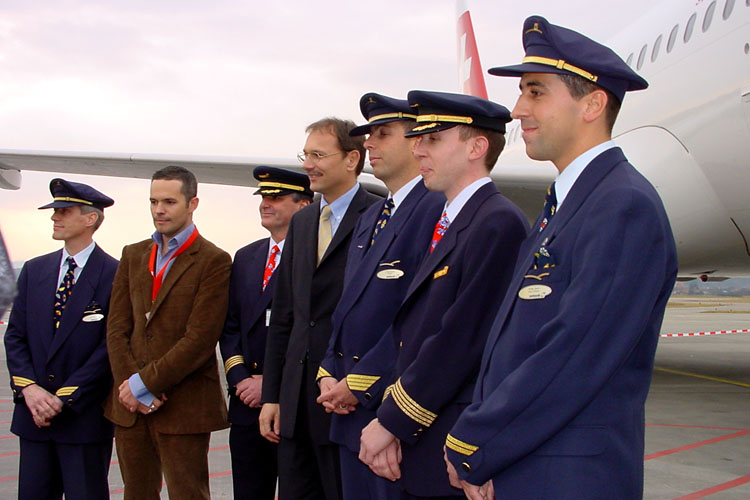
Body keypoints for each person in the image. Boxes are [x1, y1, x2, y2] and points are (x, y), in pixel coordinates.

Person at [443, 16, 678, 500]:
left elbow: (574, 354)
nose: (517, 109)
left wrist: (475, 443)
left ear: (592, 104)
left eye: (536, 92)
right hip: (531, 465)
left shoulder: (622, 205)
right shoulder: (568, 204)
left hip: (568, 478)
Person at [358, 91, 529, 500]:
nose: (418, 149)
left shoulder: (497, 223)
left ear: (476, 147)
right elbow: (416, 330)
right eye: (419, 139)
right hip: (425, 433)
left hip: (451, 435)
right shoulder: (455, 219)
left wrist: (392, 421)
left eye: (433, 139)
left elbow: (461, 338)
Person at [315, 93, 446, 500]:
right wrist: (327, 370)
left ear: (417, 141)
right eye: (369, 134)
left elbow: (422, 316)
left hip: (388, 408)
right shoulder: (372, 215)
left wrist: (358, 382)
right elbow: (348, 307)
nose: (369, 143)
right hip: (347, 408)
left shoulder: (436, 209)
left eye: (383, 134)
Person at [260, 117, 380, 500]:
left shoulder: (379, 217)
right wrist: (272, 395)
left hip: (346, 400)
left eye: (318, 155)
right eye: (305, 155)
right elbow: (285, 316)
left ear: (351, 159)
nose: (308, 165)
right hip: (296, 404)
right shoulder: (303, 222)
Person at [104, 165, 232, 500]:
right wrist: (131, 387)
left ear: (192, 204)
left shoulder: (214, 260)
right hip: (130, 406)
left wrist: (144, 385)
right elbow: (117, 327)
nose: (159, 210)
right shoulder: (133, 255)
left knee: (188, 493)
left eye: (169, 202)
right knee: (136, 493)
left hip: (183, 405)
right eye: (153, 201)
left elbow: (199, 339)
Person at [5, 178, 118, 499]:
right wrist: (30, 389)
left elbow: (110, 347)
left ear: (90, 218)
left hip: (83, 418)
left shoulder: (115, 274)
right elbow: (15, 336)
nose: (55, 217)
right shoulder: (34, 270)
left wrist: (64, 398)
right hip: (34, 417)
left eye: (64, 211)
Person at [219, 166, 312, 500]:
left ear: (303, 205)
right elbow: (230, 327)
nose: (265, 204)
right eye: (263, 197)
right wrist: (241, 379)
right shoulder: (246, 257)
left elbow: (309, 331)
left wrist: (270, 384)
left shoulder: (315, 257)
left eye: (277, 197)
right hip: (246, 404)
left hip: (290, 404)